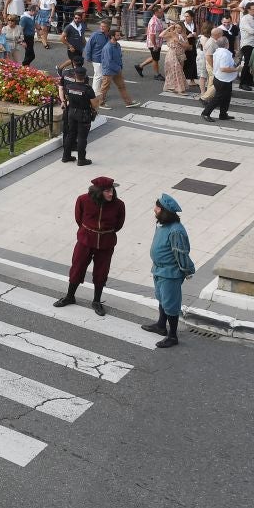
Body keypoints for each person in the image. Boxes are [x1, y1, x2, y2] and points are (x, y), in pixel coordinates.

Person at [53, 176, 126, 316]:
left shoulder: (119, 205)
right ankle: (70, 296)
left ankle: (96, 301)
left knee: (101, 272)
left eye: (111, 190)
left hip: (106, 243)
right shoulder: (83, 200)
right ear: (98, 192)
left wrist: (104, 233)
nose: (111, 193)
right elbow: (78, 219)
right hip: (85, 241)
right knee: (77, 267)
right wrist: (89, 232)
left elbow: (119, 224)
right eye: (106, 191)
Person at [141, 193, 196, 349]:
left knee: (171, 304)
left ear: (163, 210)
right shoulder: (162, 225)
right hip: (159, 270)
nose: (154, 209)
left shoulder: (176, 231)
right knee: (161, 298)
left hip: (170, 273)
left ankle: (172, 336)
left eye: (157, 207)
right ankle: (160, 325)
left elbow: (181, 253)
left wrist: (186, 271)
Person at [60, 66, 97, 166]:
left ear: (75, 75)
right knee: (82, 137)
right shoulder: (88, 89)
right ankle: (81, 159)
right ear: (85, 76)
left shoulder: (69, 87)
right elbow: (94, 104)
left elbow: (67, 98)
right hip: (83, 114)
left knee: (70, 134)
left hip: (71, 113)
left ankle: (66, 156)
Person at [200, 28, 240, 121]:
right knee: (218, 98)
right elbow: (224, 68)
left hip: (222, 78)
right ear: (227, 44)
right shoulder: (225, 54)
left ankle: (223, 114)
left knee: (226, 98)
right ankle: (205, 113)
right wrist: (236, 69)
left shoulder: (218, 51)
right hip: (223, 80)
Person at [95, 29, 138, 108]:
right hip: (108, 71)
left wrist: (120, 66)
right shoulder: (108, 47)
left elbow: (119, 57)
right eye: (117, 35)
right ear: (112, 36)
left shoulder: (117, 45)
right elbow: (108, 62)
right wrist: (118, 68)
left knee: (122, 86)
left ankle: (128, 102)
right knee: (105, 88)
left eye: (119, 35)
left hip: (117, 69)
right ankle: (100, 103)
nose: (119, 36)